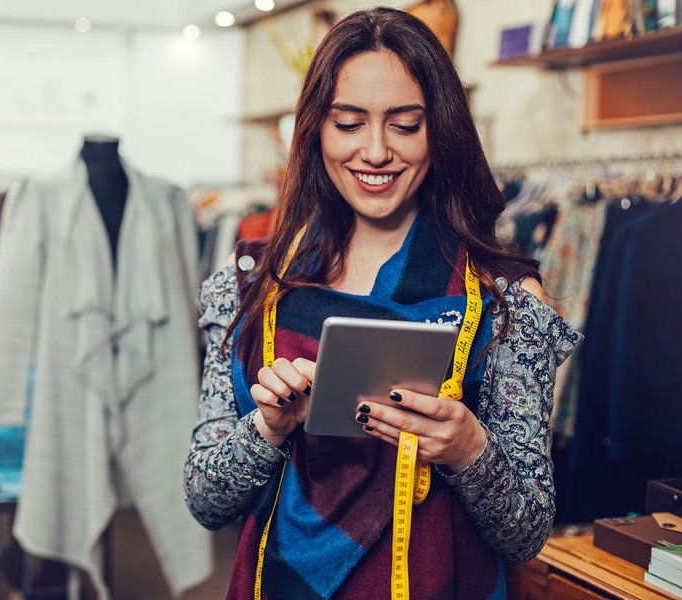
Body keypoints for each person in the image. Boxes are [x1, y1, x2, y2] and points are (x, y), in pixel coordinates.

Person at [184, 7, 582, 599]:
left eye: (404, 124)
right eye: (348, 124)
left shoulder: (503, 303)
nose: (375, 152)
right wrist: (267, 429)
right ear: (315, 128)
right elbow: (206, 501)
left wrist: (470, 450)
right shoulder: (248, 288)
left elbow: (526, 533)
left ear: (440, 130)